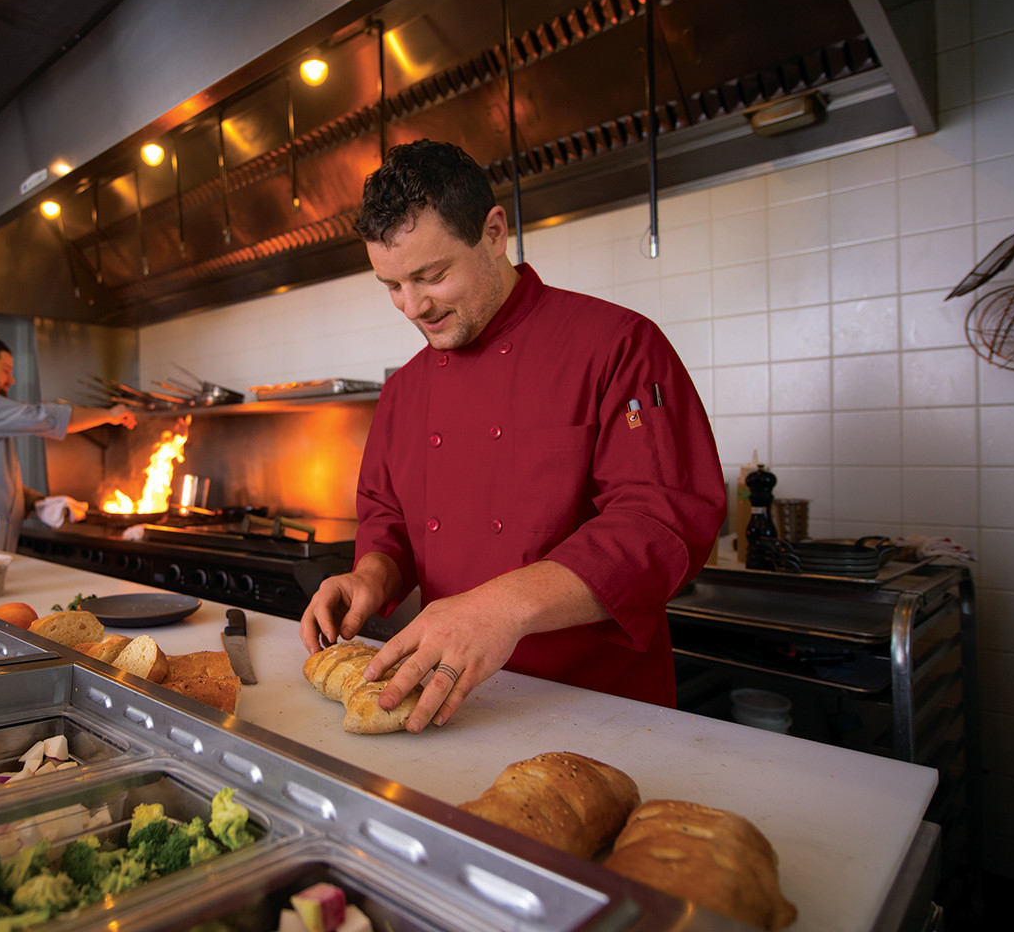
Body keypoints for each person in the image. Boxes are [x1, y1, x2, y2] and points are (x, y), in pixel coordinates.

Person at [300, 140, 725, 731]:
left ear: (494, 233)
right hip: (451, 710)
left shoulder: (617, 346)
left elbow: (662, 519)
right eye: (391, 285)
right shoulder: (404, 392)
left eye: (432, 275)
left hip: (600, 710)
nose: (411, 306)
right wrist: (371, 576)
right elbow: (389, 519)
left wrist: (498, 608)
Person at [0, 336, 136, 552]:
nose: (11, 380)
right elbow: (42, 418)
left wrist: (37, 501)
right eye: (6, 371)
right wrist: (110, 414)